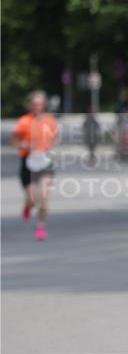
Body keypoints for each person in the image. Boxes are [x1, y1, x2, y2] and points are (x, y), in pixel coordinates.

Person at [10, 90, 58, 241]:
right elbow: (13, 141)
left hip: (44, 161)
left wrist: (48, 145)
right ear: (29, 105)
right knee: (31, 199)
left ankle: (40, 226)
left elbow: (54, 137)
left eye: (40, 104)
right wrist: (23, 144)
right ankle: (28, 205)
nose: (38, 106)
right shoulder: (24, 121)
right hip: (27, 162)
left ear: (44, 105)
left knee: (43, 197)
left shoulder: (49, 120)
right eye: (35, 104)